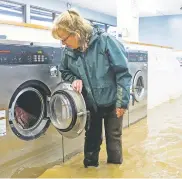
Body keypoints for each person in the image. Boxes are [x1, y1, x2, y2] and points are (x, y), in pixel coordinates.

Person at [51, 8, 132, 167]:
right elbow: (64, 71)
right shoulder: (69, 51)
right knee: (92, 139)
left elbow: (123, 73)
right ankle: (89, 170)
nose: (63, 43)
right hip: (89, 103)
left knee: (113, 138)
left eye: (64, 38)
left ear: (76, 33)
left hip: (112, 101)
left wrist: (122, 102)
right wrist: (74, 79)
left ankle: (115, 171)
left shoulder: (106, 42)